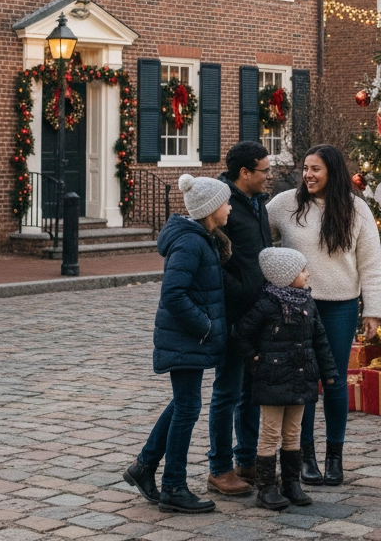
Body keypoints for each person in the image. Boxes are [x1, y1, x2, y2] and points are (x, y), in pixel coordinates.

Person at [267, 144, 381, 486]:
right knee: (303, 384)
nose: (308, 174)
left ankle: (335, 457)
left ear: (332, 171)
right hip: (297, 306)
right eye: (305, 168)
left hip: (341, 307)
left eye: (315, 169)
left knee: (334, 382)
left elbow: (370, 264)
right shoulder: (285, 204)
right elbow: (258, 238)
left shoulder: (356, 209)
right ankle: (305, 458)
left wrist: (373, 310)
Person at [124, 175, 230, 514]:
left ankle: (144, 466)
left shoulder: (203, 237)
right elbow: (173, 293)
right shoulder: (191, 243)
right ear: (211, 209)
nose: (229, 207)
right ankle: (173, 486)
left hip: (190, 338)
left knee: (184, 404)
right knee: (187, 407)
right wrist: (205, 326)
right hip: (186, 337)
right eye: (225, 202)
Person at [233, 247, 339, 510]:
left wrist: (329, 373)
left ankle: (291, 484)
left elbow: (320, 340)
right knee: (270, 433)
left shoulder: (307, 302)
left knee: (293, 432)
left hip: (301, 378)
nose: (307, 274)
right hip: (273, 379)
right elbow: (240, 333)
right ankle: (266, 488)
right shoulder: (267, 304)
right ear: (284, 276)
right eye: (302, 270)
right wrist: (253, 359)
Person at [206, 142, 272, 495]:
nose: (269, 175)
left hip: (257, 313)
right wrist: (241, 290)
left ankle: (246, 459)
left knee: (251, 391)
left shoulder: (258, 202)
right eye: (263, 170)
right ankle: (219, 468)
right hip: (233, 314)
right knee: (227, 392)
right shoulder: (222, 205)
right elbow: (215, 260)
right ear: (244, 173)